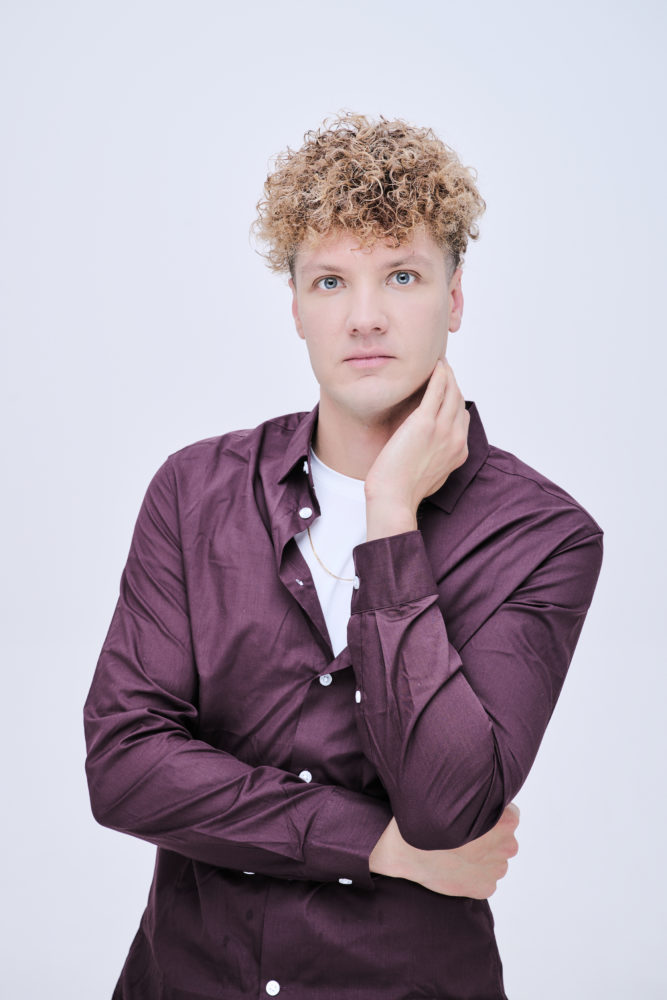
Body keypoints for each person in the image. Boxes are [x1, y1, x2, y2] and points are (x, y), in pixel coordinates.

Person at [83, 112, 603, 999]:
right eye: (330, 281)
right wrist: (378, 845)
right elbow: (126, 768)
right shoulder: (194, 492)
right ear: (295, 306)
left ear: (454, 298)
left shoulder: (542, 535)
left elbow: (447, 811)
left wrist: (389, 519)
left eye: (401, 275)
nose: (364, 317)